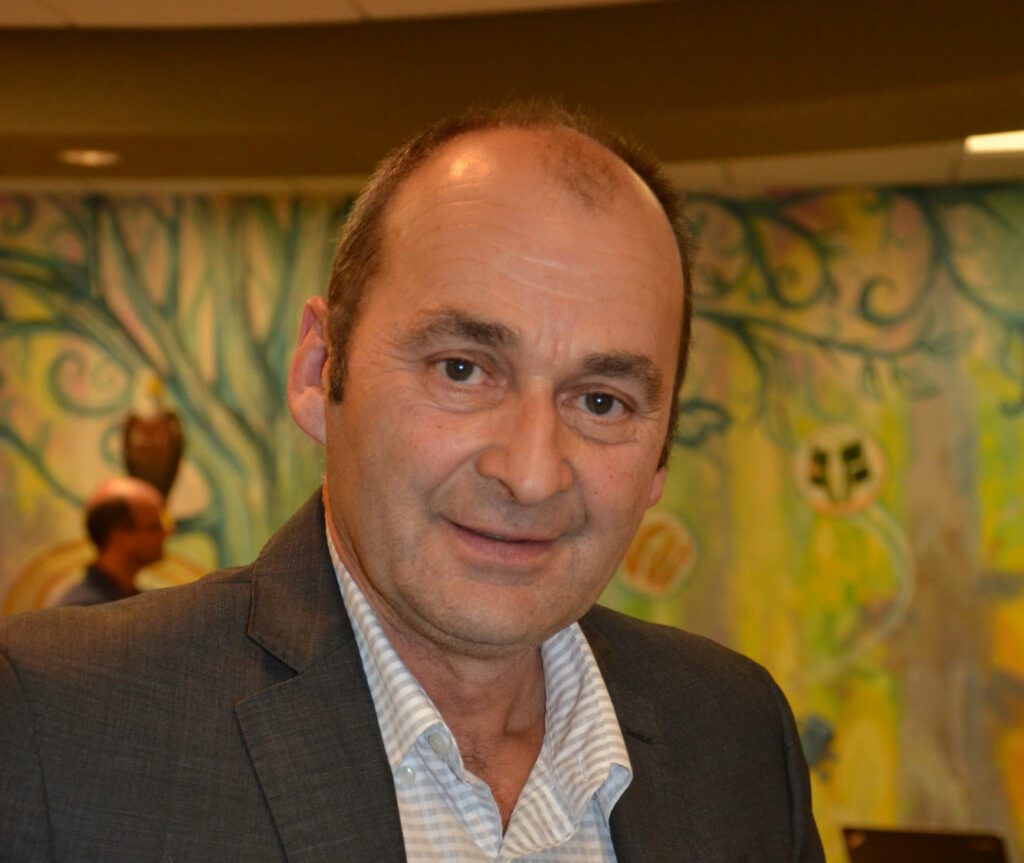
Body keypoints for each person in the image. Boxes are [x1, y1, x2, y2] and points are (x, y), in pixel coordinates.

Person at [0, 104, 825, 862]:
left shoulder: (736, 735)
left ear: (660, 457)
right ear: (320, 370)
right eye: (462, 368)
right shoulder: (53, 725)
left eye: (602, 400)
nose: (530, 474)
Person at [54, 477, 168, 607]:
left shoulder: (128, 598)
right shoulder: (86, 609)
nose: (167, 532)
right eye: (154, 526)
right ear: (119, 535)